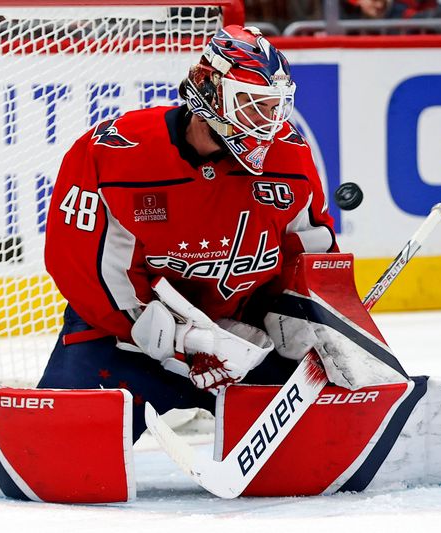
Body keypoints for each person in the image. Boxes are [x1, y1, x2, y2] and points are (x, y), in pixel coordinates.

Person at [38, 25, 337, 442]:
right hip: (126, 340)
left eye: (274, 107)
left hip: (242, 345)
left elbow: (308, 255)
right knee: (59, 449)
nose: (267, 124)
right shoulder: (113, 153)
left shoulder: (290, 157)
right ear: (207, 90)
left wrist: (310, 324)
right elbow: (83, 270)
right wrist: (186, 339)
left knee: (322, 437)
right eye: (252, 106)